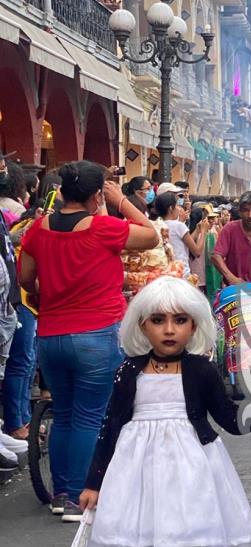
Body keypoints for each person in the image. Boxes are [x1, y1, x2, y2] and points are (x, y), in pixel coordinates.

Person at [18, 160, 159, 521]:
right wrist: (122, 200)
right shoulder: (102, 228)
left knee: (64, 413)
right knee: (88, 416)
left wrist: (45, 297)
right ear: (97, 195)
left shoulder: (38, 228)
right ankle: (77, 496)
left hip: (50, 335)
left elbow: (26, 277)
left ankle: (61, 492)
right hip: (95, 334)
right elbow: (151, 235)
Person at [79, 276, 251, 547]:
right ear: (142, 325)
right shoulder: (129, 371)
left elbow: (230, 420)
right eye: (158, 320)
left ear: (195, 325)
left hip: (195, 472)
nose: (169, 330)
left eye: (180, 320)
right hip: (135, 472)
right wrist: (94, 483)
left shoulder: (202, 370)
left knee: (191, 535)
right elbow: (110, 428)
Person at [211, 191, 251, 286]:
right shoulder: (230, 229)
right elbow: (216, 256)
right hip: (234, 291)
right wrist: (231, 277)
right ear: (239, 212)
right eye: (245, 210)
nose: (250, 215)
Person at [150, 191, 206, 276]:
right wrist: (203, 231)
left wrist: (197, 230)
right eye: (176, 205)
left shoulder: (158, 225)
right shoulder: (178, 226)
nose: (178, 208)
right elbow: (197, 252)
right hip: (181, 272)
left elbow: (185, 241)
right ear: (171, 208)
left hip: (165, 272)